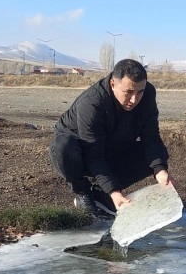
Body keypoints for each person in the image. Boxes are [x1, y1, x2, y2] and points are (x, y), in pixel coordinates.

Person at [49, 58, 172, 218]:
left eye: (139, 92)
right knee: (63, 146)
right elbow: (94, 154)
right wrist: (115, 191)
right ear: (113, 84)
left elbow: (151, 137)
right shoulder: (92, 103)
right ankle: (82, 192)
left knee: (158, 153)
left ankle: (101, 195)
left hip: (112, 145)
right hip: (80, 152)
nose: (134, 100)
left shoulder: (148, 94)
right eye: (128, 92)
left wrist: (160, 171)